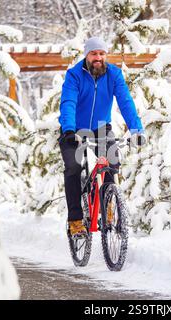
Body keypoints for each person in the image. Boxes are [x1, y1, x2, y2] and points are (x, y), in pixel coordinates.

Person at [58, 36, 145, 237]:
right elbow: (68, 102)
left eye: (102, 53)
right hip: (74, 129)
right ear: (87, 55)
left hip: (100, 128)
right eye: (94, 53)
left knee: (111, 164)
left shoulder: (114, 74)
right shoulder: (74, 75)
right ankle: (76, 220)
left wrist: (136, 129)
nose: (98, 57)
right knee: (73, 167)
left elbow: (125, 102)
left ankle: (107, 207)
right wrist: (69, 129)